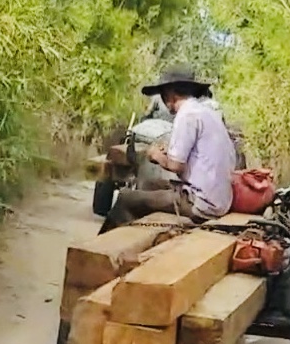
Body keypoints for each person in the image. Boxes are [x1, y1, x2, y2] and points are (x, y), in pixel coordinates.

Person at [98, 66, 238, 233]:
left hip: (201, 203)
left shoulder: (186, 115)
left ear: (170, 94)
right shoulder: (206, 113)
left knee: (126, 197)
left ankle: (101, 250)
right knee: (148, 184)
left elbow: (176, 166)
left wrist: (156, 155)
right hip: (220, 200)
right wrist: (169, 153)